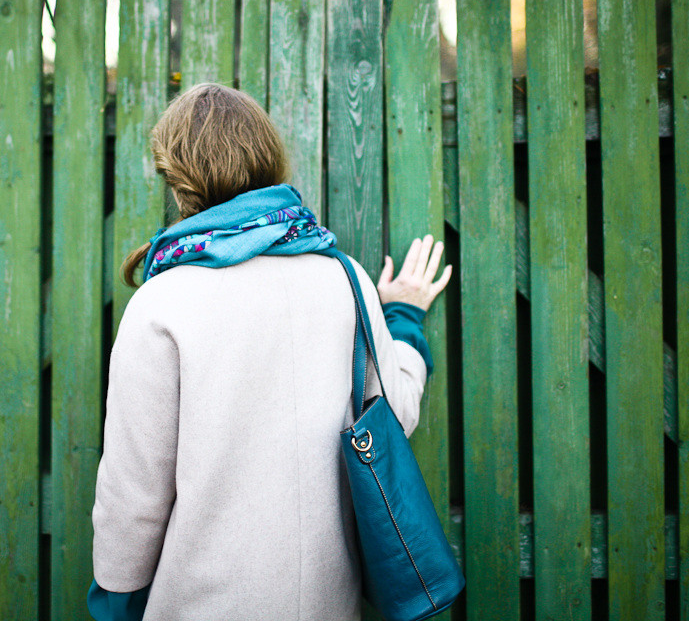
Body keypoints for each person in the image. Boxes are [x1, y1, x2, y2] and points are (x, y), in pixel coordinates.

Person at [88, 83, 453, 621]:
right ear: (271, 161)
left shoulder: (160, 303)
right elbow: (393, 415)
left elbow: (134, 491)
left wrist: (114, 603)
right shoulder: (345, 279)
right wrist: (403, 318)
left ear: (175, 176)